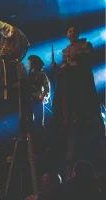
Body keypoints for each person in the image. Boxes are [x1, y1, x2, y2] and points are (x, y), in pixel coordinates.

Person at [50, 25, 104, 178]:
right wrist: (56, 68)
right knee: (71, 128)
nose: (72, 33)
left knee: (91, 121)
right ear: (67, 34)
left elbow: (90, 60)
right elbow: (62, 70)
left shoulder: (85, 46)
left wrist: (79, 59)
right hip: (70, 92)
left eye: (74, 31)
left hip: (84, 90)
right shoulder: (65, 50)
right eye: (69, 31)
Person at [27, 55, 50, 135]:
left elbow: (47, 87)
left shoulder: (41, 74)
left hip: (37, 101)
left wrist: (43, 96)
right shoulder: (28, 75)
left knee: (39, 123)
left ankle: (41, 142)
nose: (27, 64)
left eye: (29, 63)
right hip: (29, 101)